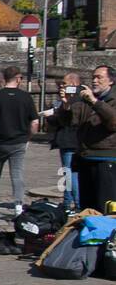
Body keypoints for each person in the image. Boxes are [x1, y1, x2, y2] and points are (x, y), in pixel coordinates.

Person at [53, 64, 116, 210]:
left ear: (111, 80)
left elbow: (113, 122)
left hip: (106, 159)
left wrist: (95, 102)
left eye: (99, 77)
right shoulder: (86, 100)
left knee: (105, 206)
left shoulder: (109, 99)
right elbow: (68, 121)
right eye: (93, 77)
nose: (94, 81)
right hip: (85, 158)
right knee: (88, 207)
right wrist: (66, 105)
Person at [0, 65, 40, 217]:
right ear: (18, 78)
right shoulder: (26, 97)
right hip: (19, 141)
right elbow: (35, 123)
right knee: (17, 174)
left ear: (4, 79)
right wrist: (28, 137)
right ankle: (18, 206)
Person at [44, 72, 82, 210]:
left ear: (73, 84)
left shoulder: (75, 100)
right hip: (73, 140)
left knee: (70, 174)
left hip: (70, 140)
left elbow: (65, 120)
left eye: (64, 84)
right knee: (70, 174)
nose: (61, 86)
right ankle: (68, 202)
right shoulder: (70, 99)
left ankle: (75, 204)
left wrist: (52, 115)